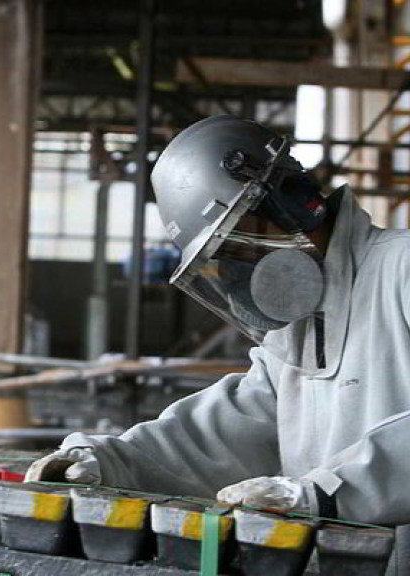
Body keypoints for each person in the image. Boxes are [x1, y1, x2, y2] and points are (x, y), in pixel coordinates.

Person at [25, 115, 410, 572]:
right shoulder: (298, 327)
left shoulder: (401, 268)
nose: (244, 270)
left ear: (291, 202)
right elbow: (230, 428)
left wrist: (326, 493)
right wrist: (108, 462)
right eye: (226, 258)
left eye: (240, 243)